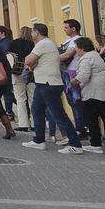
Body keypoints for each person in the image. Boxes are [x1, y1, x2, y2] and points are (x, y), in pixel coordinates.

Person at [24, 23, 83, 154]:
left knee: (58, 114)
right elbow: (32, 63)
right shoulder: (48, 43)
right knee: (37, 110)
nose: (31, 34)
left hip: (48, 83)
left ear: (37, 32)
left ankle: (75, 145)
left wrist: (32, 62)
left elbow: (28, 60)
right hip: (43, 82)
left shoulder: (42, 44)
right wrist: (33, 63)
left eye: (32, 32)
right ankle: (39, 140)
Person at [71, 36, 105, 155]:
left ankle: (97, 144)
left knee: (93, 120)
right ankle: (100, 143)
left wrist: (72, 82)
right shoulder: (94, 55)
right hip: (100, 93)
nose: (75, 50)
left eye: (76, 47)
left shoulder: (86, 58)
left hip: (94, 94)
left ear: (82, 48)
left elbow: (84, 75)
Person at [8, 26, 34, 131]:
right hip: (30, 72)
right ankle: (35, 123)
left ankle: (23, 124)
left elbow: (9, 56)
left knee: (20, 99)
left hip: (17, 72)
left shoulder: (13, 43)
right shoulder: (32, 44)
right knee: (32, 98)